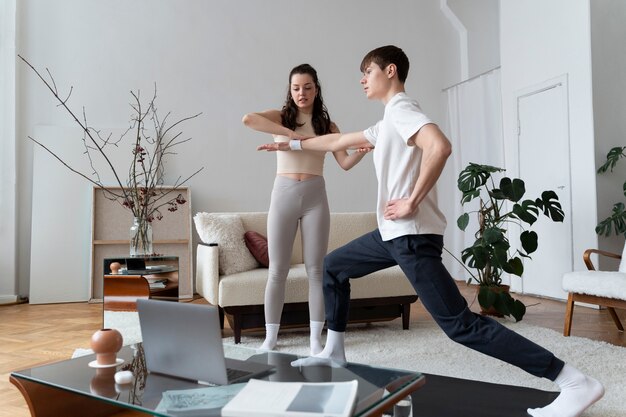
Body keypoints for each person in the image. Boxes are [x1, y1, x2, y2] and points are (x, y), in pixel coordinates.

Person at [257, 45, 604, 417]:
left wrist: (411, 200)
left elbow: (439, 146)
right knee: (333, 267)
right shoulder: (389, 119)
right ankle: (335, 351)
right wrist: (290, 143)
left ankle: (571, 381)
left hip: (409, 234)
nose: (362, 79)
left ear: (390, 71)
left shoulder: (404, 110)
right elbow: (337, 142)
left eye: (367, 72)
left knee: (460, 326)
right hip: (392, 234)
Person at [242, 64, 369, 355]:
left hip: (315, 196)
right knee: (277, 271)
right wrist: (291, 134)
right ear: (290, 90)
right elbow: (248, 119)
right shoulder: (280, 117)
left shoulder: (328, 126)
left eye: (307, 87)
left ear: (316, 89)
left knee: (316, 270)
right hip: (283, 194)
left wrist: (360, 154)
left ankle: (315, 340)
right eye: (296, 88)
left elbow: (345, 163)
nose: (302, 93)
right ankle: (270, 339)